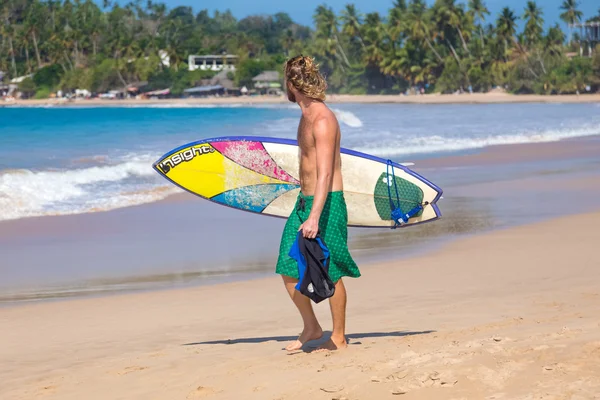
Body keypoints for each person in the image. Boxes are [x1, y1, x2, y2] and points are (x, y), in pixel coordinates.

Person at [276, 55, 361, 352]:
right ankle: (311, 327)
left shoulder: (323, 119)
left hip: (327, 205)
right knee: (288, 265)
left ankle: (339, 335)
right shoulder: (305, 115)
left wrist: (314, 216)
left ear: (291, 84)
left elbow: (325, 172)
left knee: (331, 269)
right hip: (306, 201)